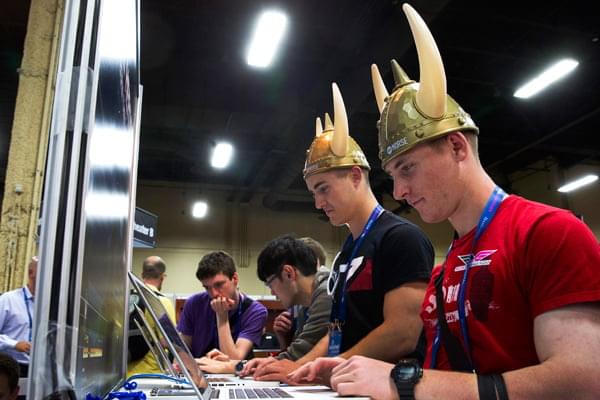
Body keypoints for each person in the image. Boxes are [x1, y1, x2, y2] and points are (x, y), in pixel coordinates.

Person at [319, 4, 600, 399]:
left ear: (456, 147)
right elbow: (451, 380)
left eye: (407, 168)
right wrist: (355, 370)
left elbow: (583, 381)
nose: (398, 191)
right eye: (393, 175)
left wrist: (406, 383)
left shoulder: (550, 233)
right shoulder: (445, 269)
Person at [283, 83, 434, 384]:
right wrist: (299, 367)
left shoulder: (401, 238)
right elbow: (337, 330)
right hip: (348, 384)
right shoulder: (346, 253)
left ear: (355, 176)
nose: (318, 203)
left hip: (390, 388)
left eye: (323, 189)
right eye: (314, 193)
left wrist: (332, 367)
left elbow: (403, 332)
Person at [232, 235, 332, 380]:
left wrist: (242, 367)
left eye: (270, 284)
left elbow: (302, 351)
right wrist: (271, 361)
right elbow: (296, 353)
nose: (272, 293)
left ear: (288, 273)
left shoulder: (327, 292)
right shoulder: (305, 304)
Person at [177, 251, 268, 360]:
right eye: (207, 288)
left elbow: (234, 360)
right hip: (199, 368)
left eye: (219, 285)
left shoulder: (256, 312)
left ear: (235, 279)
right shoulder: (193, 304)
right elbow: (182, 349)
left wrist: (222, 316)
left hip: (233, 371)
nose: (213, 294)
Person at [127, 256, 175, 376]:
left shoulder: (126, 299)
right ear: (162, 277)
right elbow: (167, 341)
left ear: (142, 274)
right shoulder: (161, 301)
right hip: (151, 374)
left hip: (125, 375)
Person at [0, 257, 37, 377]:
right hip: (9, 368)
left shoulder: (47, 305)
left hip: (37, 369)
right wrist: (14, 344)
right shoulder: (8, 299)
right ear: (31, 273)